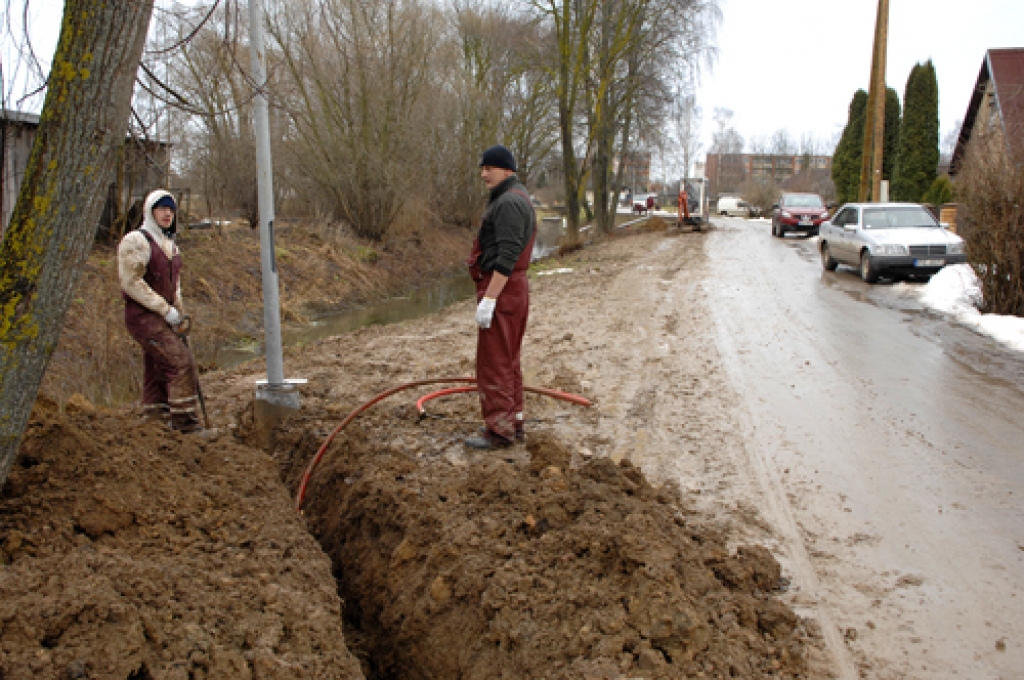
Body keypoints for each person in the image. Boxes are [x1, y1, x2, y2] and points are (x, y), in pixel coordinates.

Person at [464, 145, 536, 450]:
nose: (484, 174)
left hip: (503, 290)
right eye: (482, 169)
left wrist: (490, 298)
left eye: (489, 168)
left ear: (507, 170)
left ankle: (499, 432)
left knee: (495, 362)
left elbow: (507, 255)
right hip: (512, 289)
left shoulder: (508, 203)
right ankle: (513, 421)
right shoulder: (514, 197)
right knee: (508, 359)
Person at [117, 189, 202, 433]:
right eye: (162, 209)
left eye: (171, 210)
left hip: (164, 316)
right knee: (180, 362)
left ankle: (155, 422)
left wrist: (179, 313)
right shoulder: (136, 241)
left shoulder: (170, 246)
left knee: (157, 365)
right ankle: (185, 424)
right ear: (150, 211)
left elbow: (175, 285)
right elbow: (131, 282)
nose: (167, 214)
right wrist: (164, 310)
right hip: (143, 317)